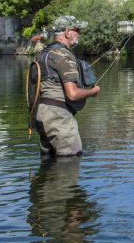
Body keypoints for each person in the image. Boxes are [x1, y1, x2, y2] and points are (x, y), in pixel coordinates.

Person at [33, 15, 100, 158]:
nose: (79, 34)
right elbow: (72, 94)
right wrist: (93, 92)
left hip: (41, 114)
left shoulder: (43, 54)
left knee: (48, 164)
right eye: (77, 30)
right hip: (59, 118)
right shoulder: (63, 55)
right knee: (70, 162)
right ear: (68, 32)